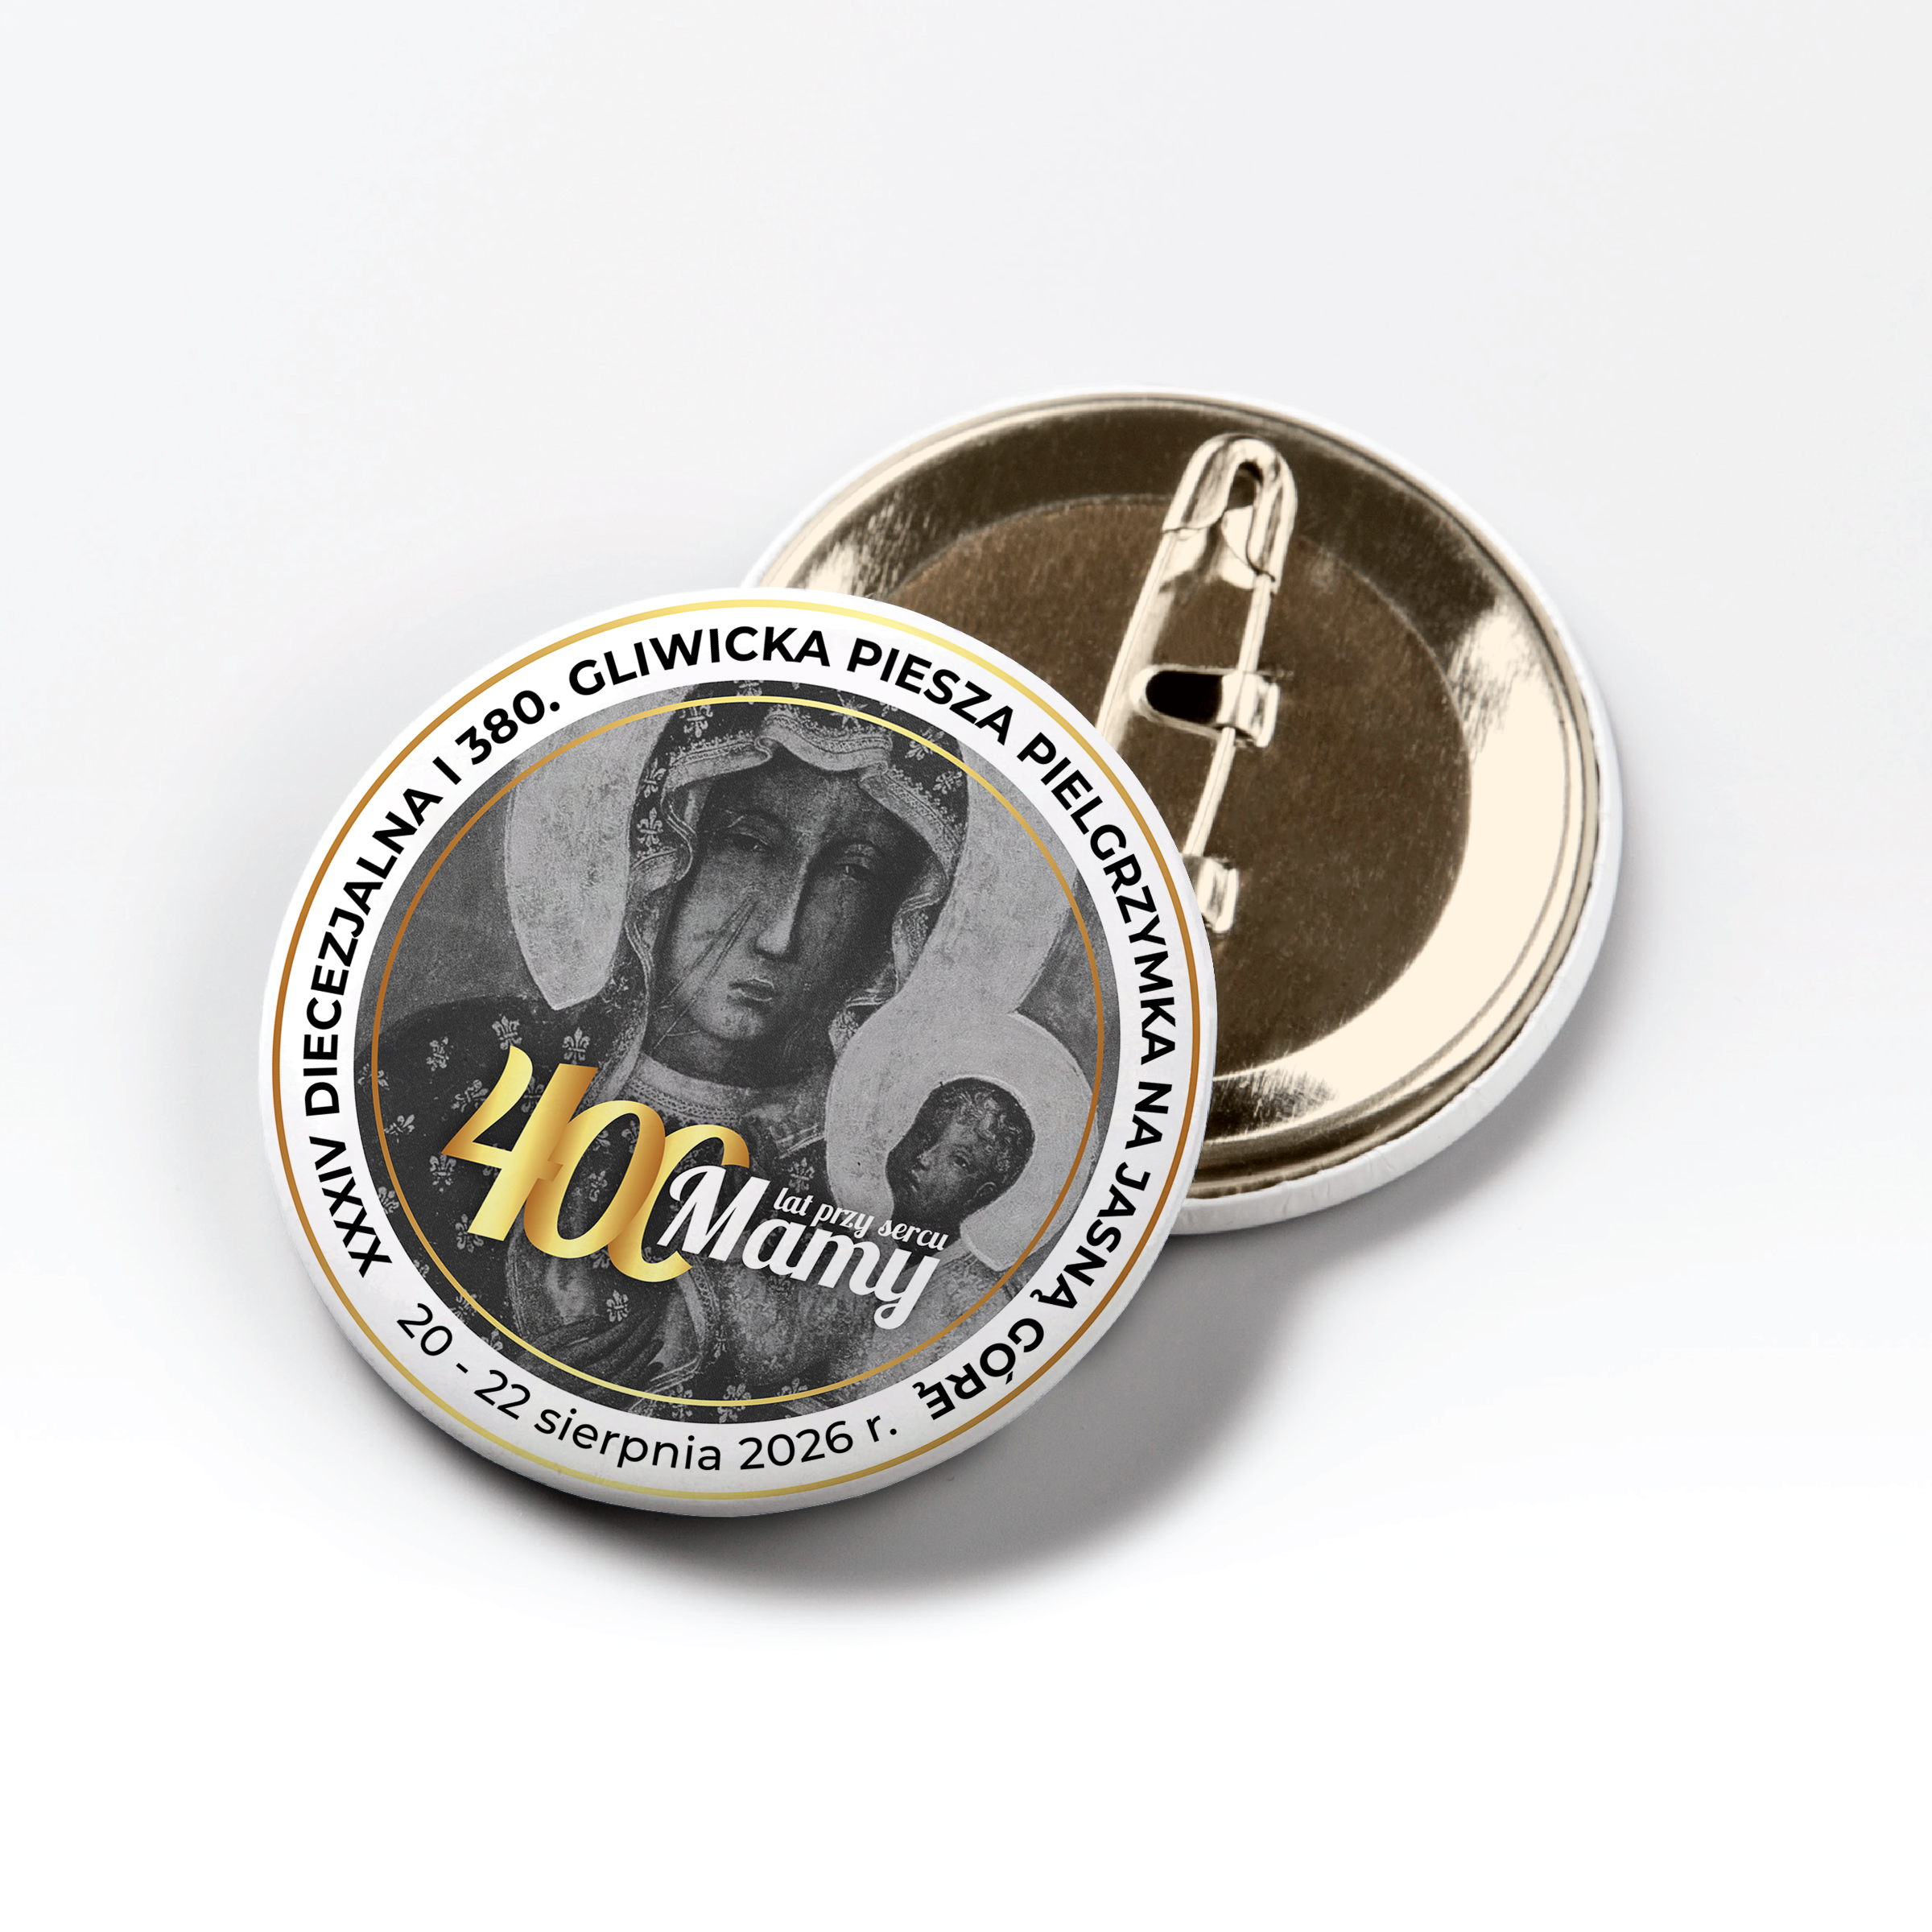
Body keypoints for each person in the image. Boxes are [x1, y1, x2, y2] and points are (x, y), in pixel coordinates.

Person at [365, 683, 968, 1414]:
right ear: (667, 852)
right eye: (749, 843)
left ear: (901, 923)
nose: (779, 934)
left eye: (854, 871)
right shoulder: (452, 1067)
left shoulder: (888, 1187)